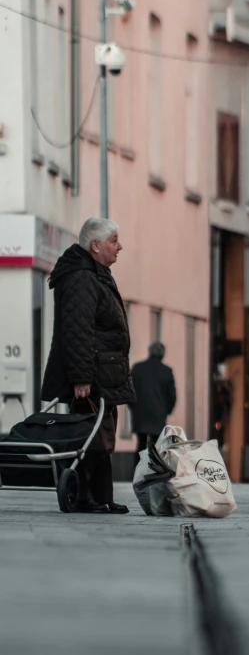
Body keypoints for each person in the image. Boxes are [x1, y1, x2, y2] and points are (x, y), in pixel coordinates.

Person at [41, 217, 136, 513]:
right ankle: (83, 498)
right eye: (113, 240)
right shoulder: (83, 278)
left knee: (102, 436)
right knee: (92, 438)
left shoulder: (95, 273)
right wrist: (81, 377)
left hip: (105, 372)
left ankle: (101, 497)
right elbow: (77, 329)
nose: (119, 247)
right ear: (95, 245)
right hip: (93, 376)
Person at [130, 342, 177, 458]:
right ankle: (153, 471)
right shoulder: (166, 371)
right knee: (156, 446)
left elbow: (130, 391)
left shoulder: (137, 368)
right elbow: (172, 395)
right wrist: (167, 410)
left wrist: (133, 407)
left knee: (140, 444)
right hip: (158, 413)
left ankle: (138, 471)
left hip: (140, 412)